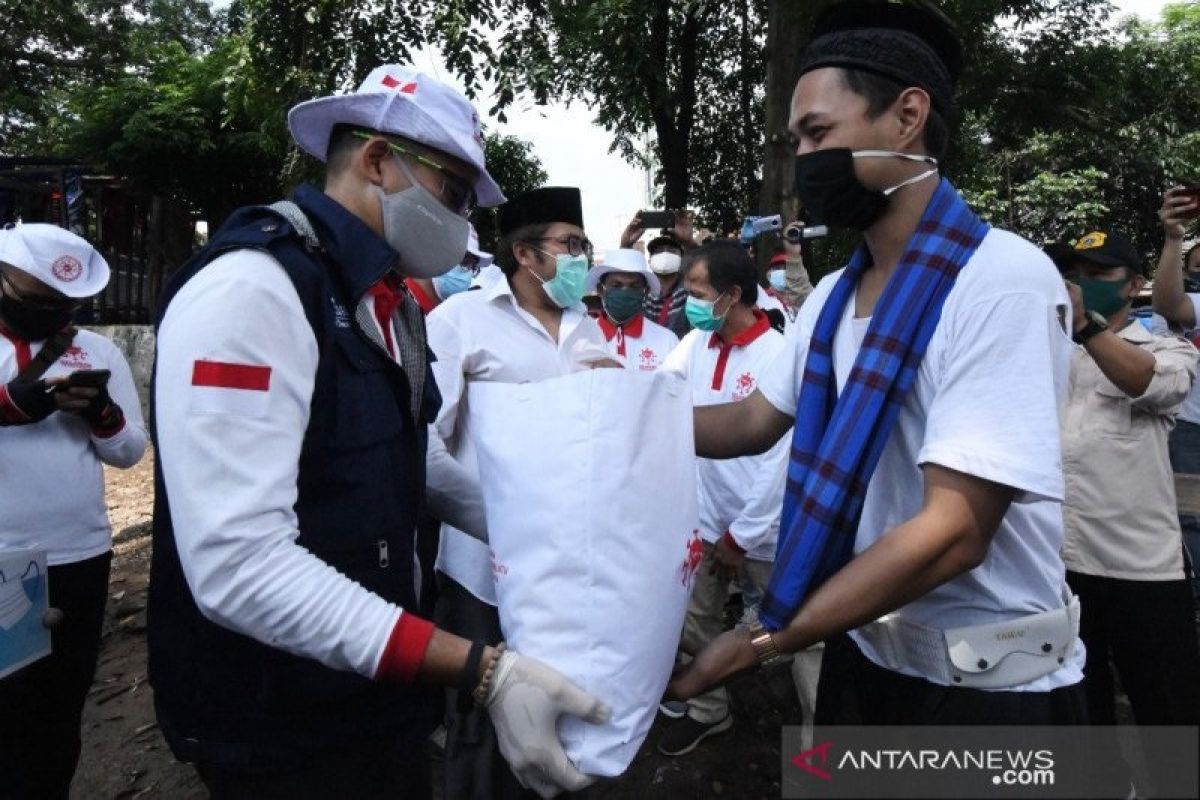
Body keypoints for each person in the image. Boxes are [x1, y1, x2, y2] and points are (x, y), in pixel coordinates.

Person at [149, 66, 606, 800]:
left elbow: (411, 461)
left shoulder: (388, 306)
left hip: (374, 693)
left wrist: (543, 525)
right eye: (454, 193)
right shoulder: (254, 291)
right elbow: (239, 566)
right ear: (376, 161)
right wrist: (483, 670)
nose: (462, 223)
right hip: (281, 724)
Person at [669, 1, 1086, 727]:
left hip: (986, 689)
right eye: (797, 139)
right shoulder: (832, 298)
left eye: (819, 133)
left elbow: (954, 530)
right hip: (866, 656)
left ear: (907, 117)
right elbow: (751, 420)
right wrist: (613, 413)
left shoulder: (1000, 281)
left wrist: (762, 639)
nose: (804, 160)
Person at [425, 186, 611, 799]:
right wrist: (507, 522)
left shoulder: (590, 331)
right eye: (569, 244)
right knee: (482, 719)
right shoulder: (461, 321)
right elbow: (426, 450)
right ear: (525, 254)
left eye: (584, 245)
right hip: (484, 570)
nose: (582, 256)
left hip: (572, 566)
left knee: (558, 704)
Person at [1049, 230, 1200, 795]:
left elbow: (1149, 385)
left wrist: (1087, 327)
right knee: (1079, 718)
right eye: (1073, 271)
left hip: (1143, 569)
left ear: (1134, 286)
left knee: (1170, 717)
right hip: (1063, 569)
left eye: (1099, 273)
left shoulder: (1166, 348)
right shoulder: (1048, 356)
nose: (1082, 283)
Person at [0, 223, 148, 798]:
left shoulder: (98, 349)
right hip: (5, 559)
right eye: (35, 300)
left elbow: (130, 452)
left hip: (79, 554)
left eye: (62, 305)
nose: (50, 315)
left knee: (59, 708)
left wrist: (102, 415)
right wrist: (12, 405)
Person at [656, 240, 788, 756]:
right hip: (704, 520)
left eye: (696, 291)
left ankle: (821, 730)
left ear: (732, 295)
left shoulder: (779, 355)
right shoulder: (695, 345)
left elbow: (782, 461)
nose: (686, 301)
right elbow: (657, 394)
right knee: (697, 621)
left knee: (800, 628)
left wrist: (743, 534)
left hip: (766, 527)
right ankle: (711, 711)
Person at [1150, 185, 1200, 600]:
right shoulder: (1191, 306)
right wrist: (1173, 237)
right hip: (1192, 431)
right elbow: (1168, 305)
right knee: (1192, 519)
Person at [588, 248, 678, 371]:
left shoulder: (667, 341)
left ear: (645, 293)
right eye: (616, 285)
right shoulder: (583, 337)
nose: (625, 292)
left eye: (634, 286)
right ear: (601, 290)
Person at [621, 212, 697, 338]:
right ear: (650, 260)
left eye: (672, 251)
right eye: (659, 251)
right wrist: (625, 245)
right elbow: (622, 281)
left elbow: (706, 271)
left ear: (682, 258)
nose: (665, 254)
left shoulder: (691, 290)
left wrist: (689, 242)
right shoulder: (641, 295)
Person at [405, 224, 493, 314]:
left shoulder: (448, 316)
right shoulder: (400, 300)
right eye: (462, 260)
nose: (466, 272)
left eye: (471, 265)